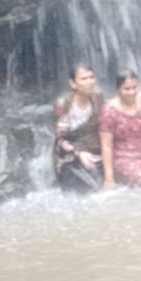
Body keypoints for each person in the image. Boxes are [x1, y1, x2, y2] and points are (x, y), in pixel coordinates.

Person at [52, 62, 104, 192]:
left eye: (91, 77)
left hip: (95, 148)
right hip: (70, 153)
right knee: (92, 189)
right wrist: (78, 152)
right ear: (73, 83)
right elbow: (59, 139)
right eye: (84, 79)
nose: (89, 82)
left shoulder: (97, 98)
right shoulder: (64, 103)